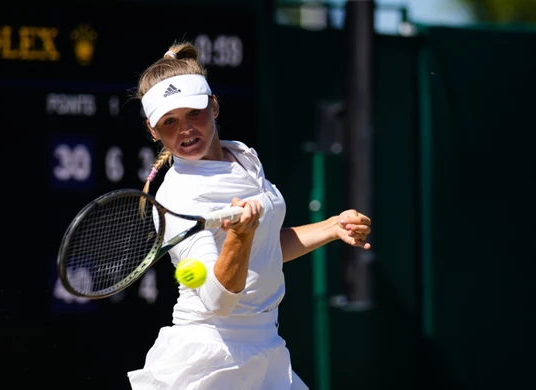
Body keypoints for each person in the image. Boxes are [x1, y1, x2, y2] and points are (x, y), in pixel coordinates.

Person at [126, 41, 372, 390]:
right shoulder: (178, 197)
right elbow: (217, 299)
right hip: (209, 358)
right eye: (170, 121)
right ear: (153, 130)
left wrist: (332, 227)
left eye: (193, 113)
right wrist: (240, 238)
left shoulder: (242, 157)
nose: (185, 129)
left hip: (266, 346)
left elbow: (266, 250)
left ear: (214, 106)